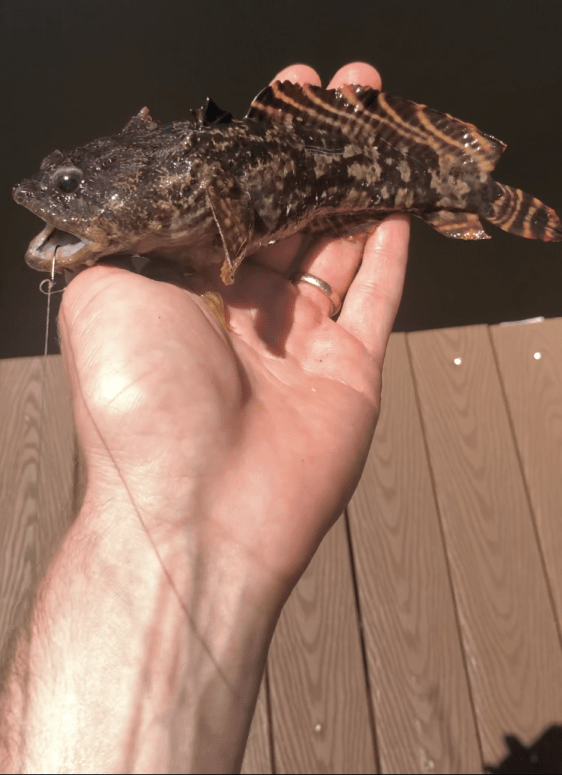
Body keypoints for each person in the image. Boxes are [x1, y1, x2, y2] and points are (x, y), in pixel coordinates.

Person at [0, 62, 410, 773]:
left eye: (71, 187)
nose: (49, 199)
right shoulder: (163, 204)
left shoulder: (194, 191)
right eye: (61, 181)